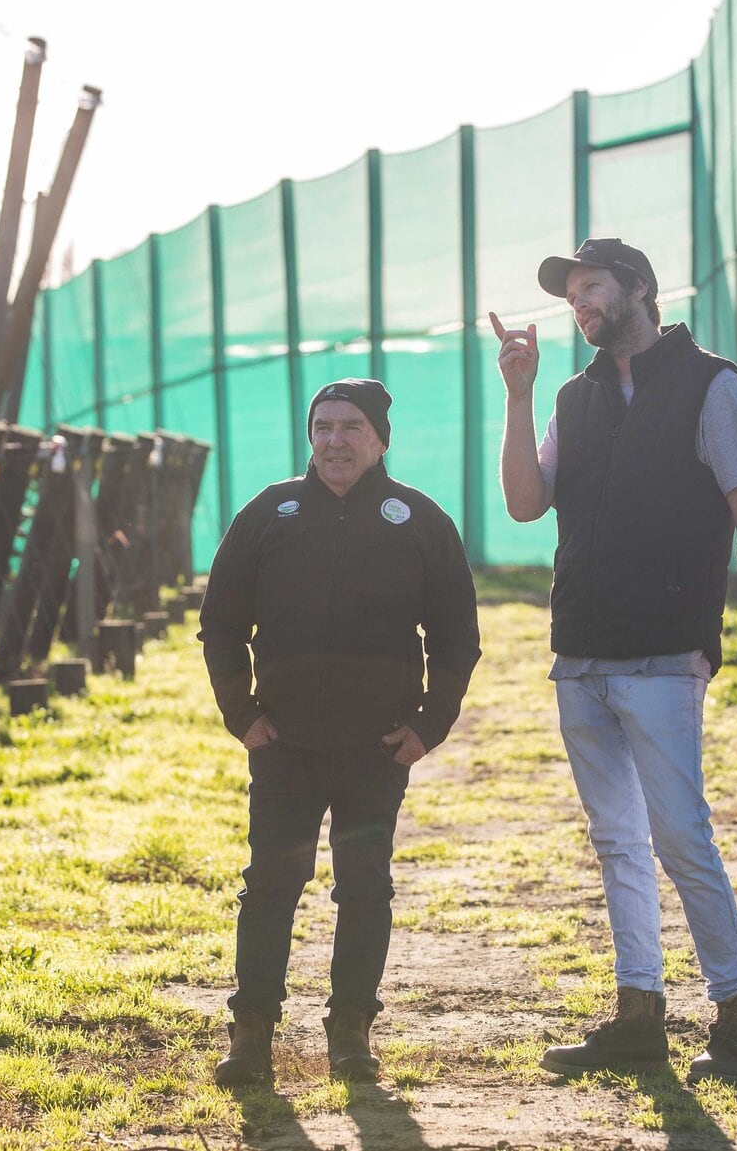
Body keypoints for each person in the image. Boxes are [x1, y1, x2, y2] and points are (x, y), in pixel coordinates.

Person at [493, 238, 737, 1082]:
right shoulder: (570, 396)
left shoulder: (711, 382)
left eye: (590, 287)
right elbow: (524, 503)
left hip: (666, 652)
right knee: (617, 842)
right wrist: (518, 396)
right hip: (580, 654)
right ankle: (638, 1013)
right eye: (570, 295)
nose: (578, 303)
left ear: (637, 289)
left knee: (680, 835)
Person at [199, 378, 481, 1087]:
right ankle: (252, 1033)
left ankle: (351, 1030)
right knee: (270, 882)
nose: (334, 440)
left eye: (351, 426)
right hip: (284, 744)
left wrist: (427, 725)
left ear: (380, 437)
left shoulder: (417, 519)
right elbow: (222, 623)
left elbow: (456, 634)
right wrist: (244, 714)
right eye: (322, 426)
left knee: (364, 887)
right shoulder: (270, 513)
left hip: (375, 748)